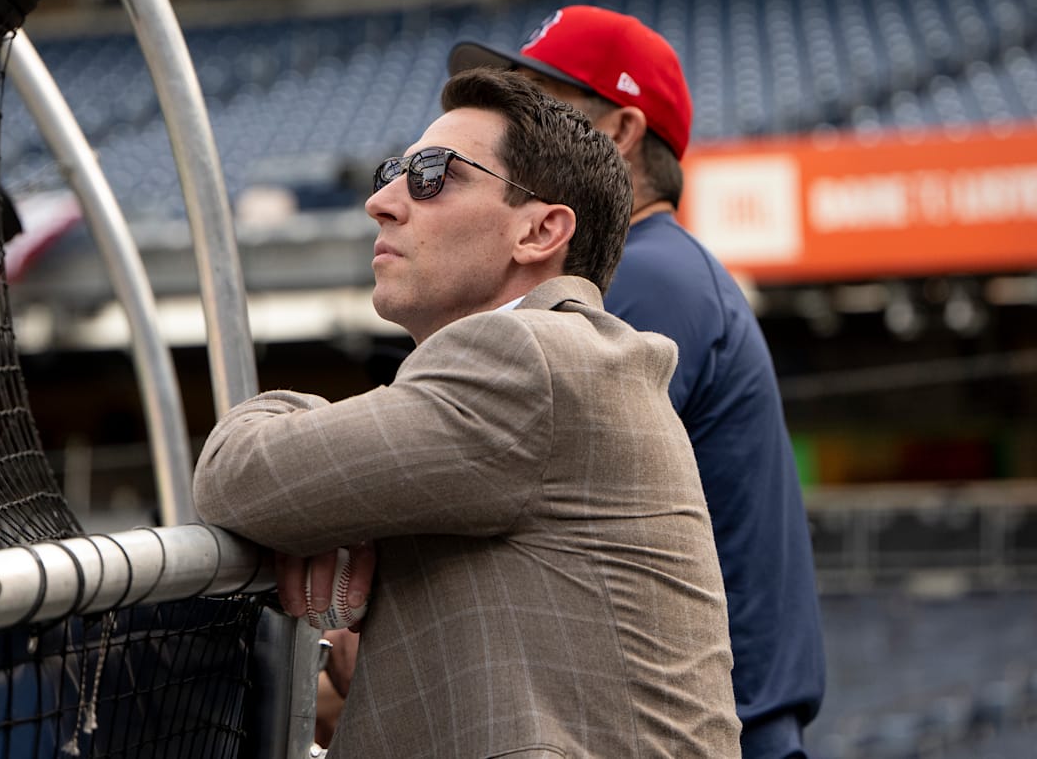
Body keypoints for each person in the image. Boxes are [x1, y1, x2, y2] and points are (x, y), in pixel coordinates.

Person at [194, 68, 741, 758]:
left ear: (539, 231)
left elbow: (237, 476)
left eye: (433, 175)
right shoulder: (555, 360)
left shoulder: (525, 356)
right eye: (393, 173)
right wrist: (341, 514)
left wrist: (296, 435)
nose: (382, 202)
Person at [449, 6, 826, 759]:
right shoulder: (658, 266)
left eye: (540, 103)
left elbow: (504, 471)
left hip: (713, 729)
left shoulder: (647, 274)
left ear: (620, 130)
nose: (513, 130)